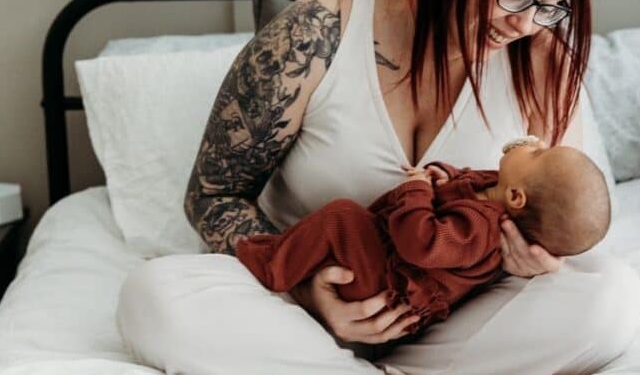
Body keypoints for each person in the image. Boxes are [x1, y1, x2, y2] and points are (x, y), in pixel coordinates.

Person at [116, 0, 640, 374]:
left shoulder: (544, 62)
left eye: (550, 5)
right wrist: (308, 290)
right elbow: (212, 195)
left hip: (449, 316)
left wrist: (539, 262)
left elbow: (553, 214)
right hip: (303, 308)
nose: (524, 22)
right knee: (154, 299)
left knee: (610, 297)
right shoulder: (317, 32)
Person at [234, 137, 612, 336]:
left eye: (538, 153)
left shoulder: (482, 229)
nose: (532, 142)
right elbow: (463, 181)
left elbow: (423, 243)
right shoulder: (496, 185)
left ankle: (268, 267)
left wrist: (417, 188)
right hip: (385, 268)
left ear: (517, 197)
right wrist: (441, 175)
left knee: (342, 216)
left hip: (390, 288)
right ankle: (293, 273)